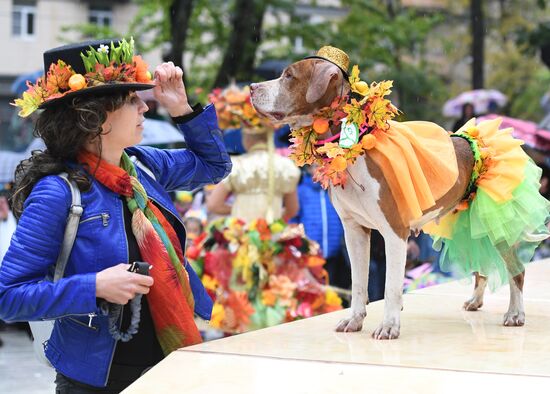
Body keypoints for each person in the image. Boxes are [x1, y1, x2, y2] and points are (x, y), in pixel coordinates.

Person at [0, 38, 231, 392]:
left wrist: (182, 109)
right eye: (130, 99)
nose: (144, 107)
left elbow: (214, 166)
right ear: (94, 117)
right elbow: (9, 297)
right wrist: (94, 287)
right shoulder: (57, 192)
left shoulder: (142, 165)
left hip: (169, 367)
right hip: (96, 381)